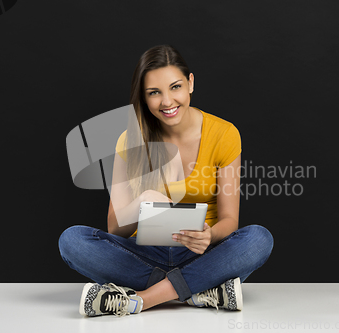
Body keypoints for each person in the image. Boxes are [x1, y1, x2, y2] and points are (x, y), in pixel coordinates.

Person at [58, 44, 274, 317]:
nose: (167, 102)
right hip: (142, 254)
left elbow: (230, 220)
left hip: (202, 253)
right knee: (72, 241)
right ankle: (199, 290)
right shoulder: (130, 140)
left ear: (190, 83)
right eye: (154, 93)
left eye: (175, 87)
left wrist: (209, 236)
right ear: (144, 97)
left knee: (258, 238)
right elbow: (114, 229)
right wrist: (139, 204)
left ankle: (144, 298)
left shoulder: (225, 134)